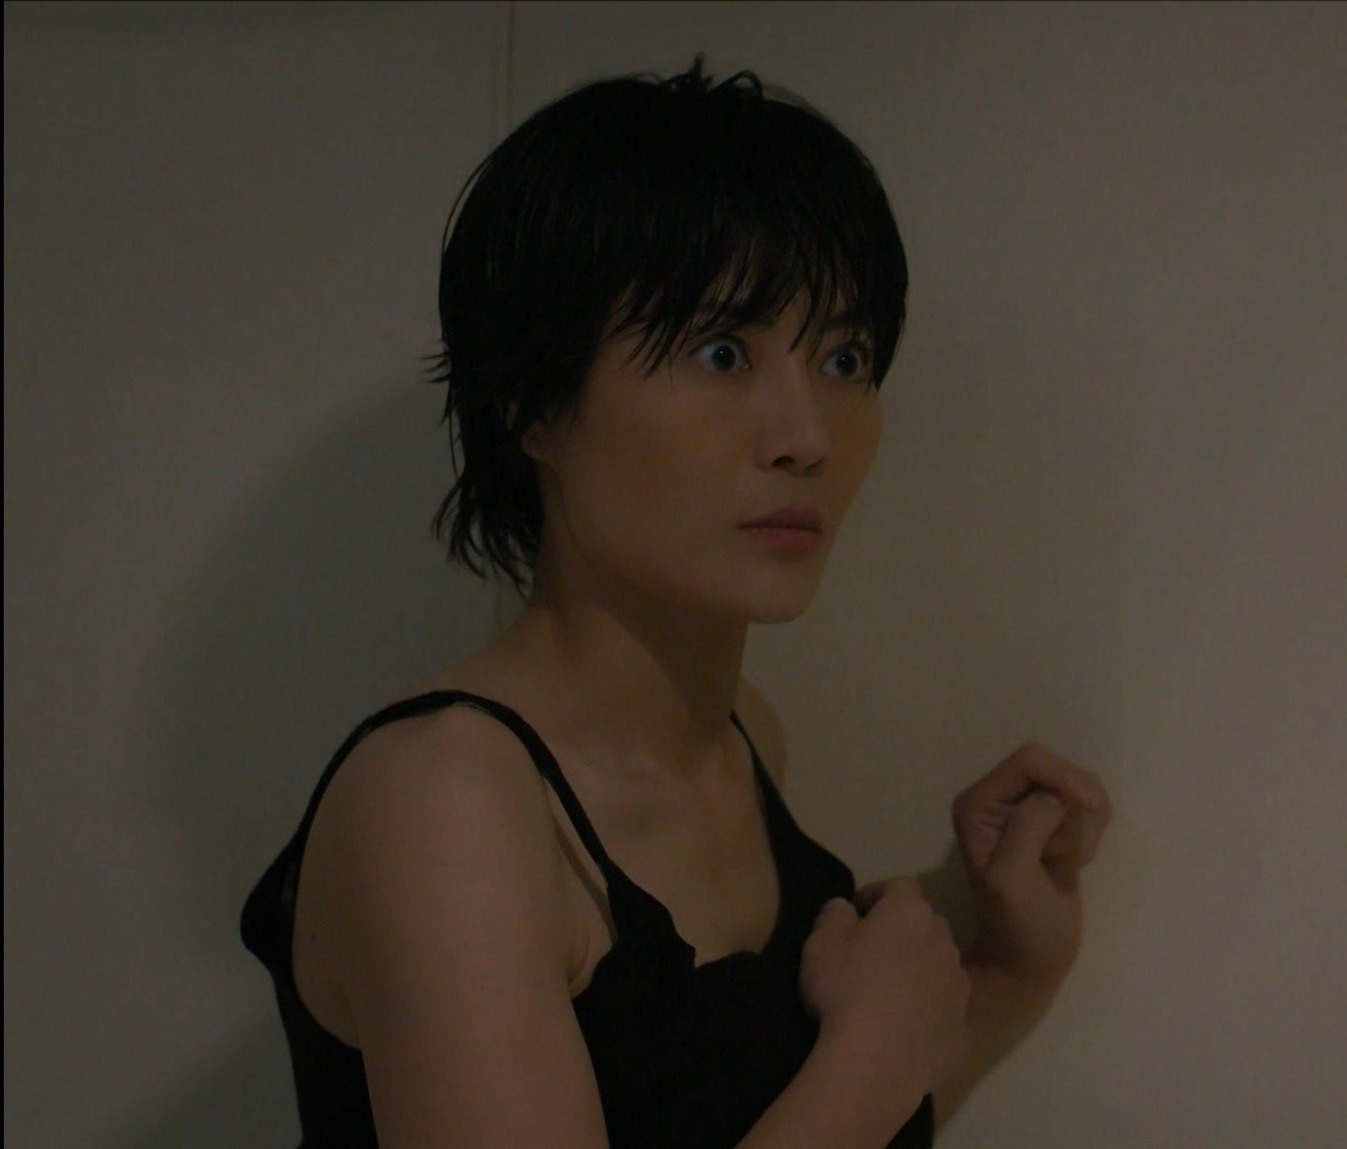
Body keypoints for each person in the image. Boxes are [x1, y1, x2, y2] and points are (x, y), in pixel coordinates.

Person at [239, 60, 1113, 1149]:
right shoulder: (444, 804)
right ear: (532, 404)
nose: (808, 436)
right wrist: (872, 1052)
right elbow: (858, 1092)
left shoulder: (747, 737)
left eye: (844, 356)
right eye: (721, 352)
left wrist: (1011, 963)